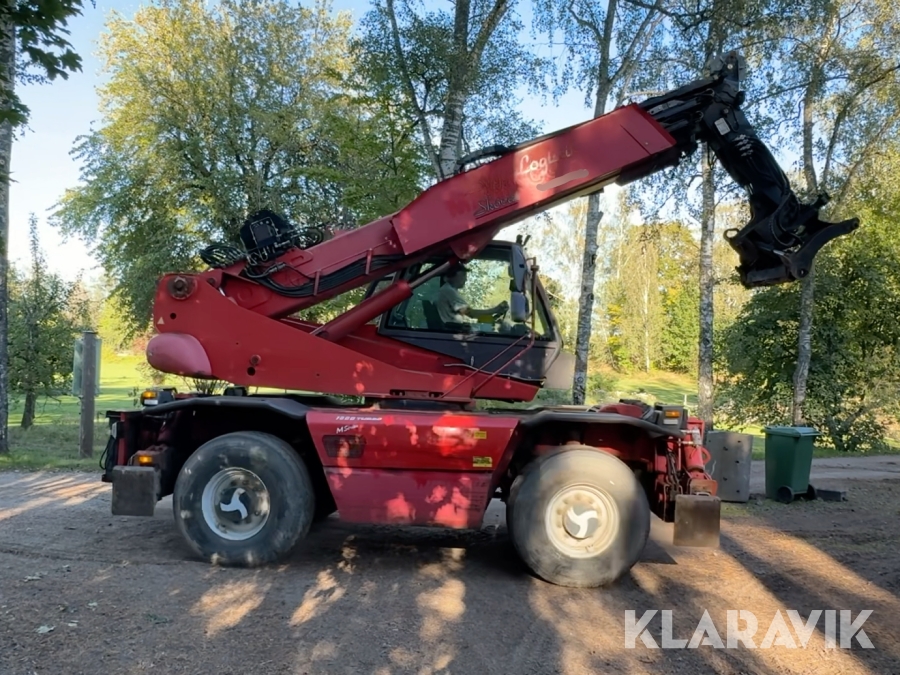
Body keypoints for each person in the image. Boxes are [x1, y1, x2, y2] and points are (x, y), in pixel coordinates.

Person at [434, 264, 508, 325]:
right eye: (463, 275)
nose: (465, 279)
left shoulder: (446, 290)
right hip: (452, 332)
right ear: (453, 275)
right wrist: (495, 310)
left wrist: (494, 317)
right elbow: (471, 314)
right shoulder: (449, 291)